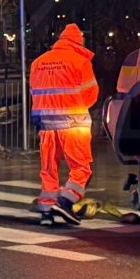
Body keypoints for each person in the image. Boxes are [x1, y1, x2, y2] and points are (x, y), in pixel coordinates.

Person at [29, 23, 98, 226]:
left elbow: (34, 92)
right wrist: (74, 106)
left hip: (46, 124)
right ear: (79, 42)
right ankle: (65, 201)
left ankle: (46, 212)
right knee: (81, 167)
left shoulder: (38, 62)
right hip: (73, 123)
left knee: (49, 168)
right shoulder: (80, 61)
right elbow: (91, 94)